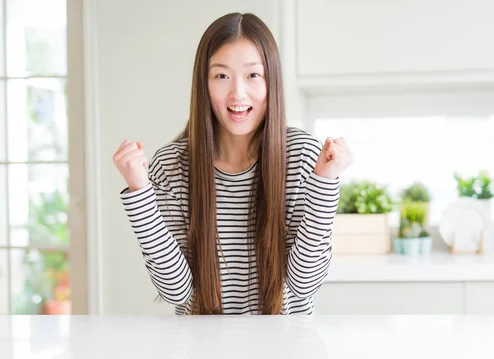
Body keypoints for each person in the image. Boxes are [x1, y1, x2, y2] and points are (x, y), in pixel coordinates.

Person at [113, 12, 353, 315]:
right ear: (204, 84)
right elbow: (176, 291)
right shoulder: (172, 165)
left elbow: (304, 284)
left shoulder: (302, 156)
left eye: (254, 75)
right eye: (221, 76)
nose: (238, 93)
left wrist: (325, 183)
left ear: (272, 81)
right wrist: (139, 192)